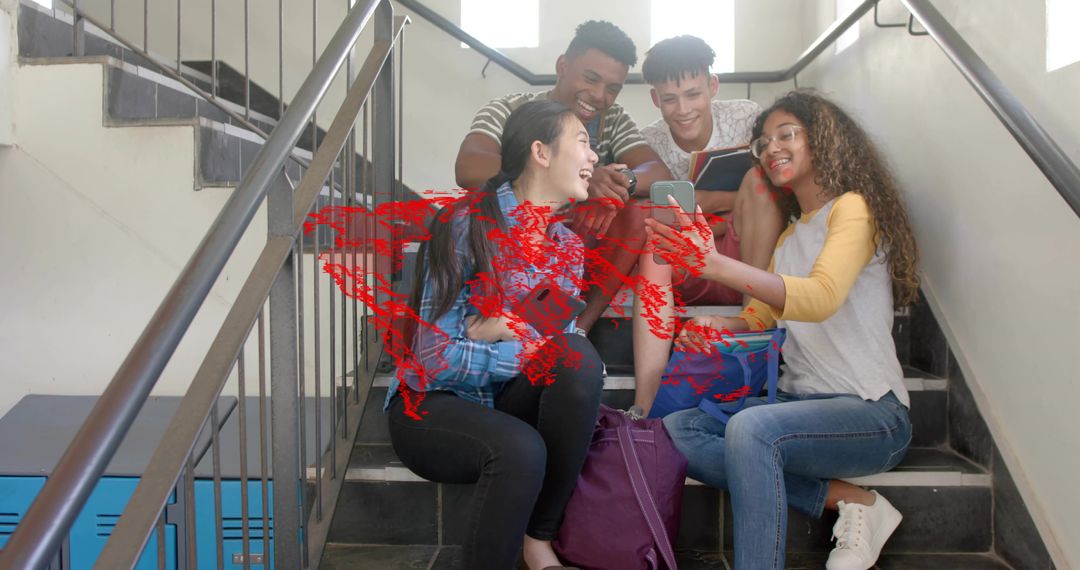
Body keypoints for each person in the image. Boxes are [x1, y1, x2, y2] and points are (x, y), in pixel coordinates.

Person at [646, 90, 920, 570]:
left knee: (751, 429)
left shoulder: (851, 209)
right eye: (764, 142)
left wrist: (716, 266)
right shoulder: (792, 236)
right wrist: (718, 326)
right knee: (679, 428)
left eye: (787, 134)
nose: (772, 148)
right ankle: (851, 500)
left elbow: (820, 297)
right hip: (797, 410)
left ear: (823, 142)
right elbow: (763, 317)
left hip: (871, 413)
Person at [386, 100, 604, 570]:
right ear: (541, 153)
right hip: (431, 404)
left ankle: (538, 539)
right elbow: (435, 358)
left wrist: (498, 330)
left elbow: (554, 347)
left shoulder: (567, 248)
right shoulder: (465, 225)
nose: (594, 158)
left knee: (578, 358)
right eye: (583, 143)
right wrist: (522, 347)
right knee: (520, 449)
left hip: (504, 398)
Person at [455, 20, 672, 335]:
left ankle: (578, 330)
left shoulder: (614, 120)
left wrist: (614, 188)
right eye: (591, 78)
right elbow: (469, 167)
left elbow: (656, 171)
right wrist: (578, 177)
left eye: (613, 88)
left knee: (637, 214)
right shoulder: (511, 108)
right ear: (562, 66)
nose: (599, 95)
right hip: (516, 235)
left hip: (576, 237)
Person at [632, 35, 787, 415]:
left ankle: (752, 333)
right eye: (670, 99)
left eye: (693, 94)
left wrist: (714, 203)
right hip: (688, 258)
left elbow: (778, 190)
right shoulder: (647, 141)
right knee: (655, 247)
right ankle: (645, 404)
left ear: (712, 87)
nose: (683, 109)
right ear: (656, 99)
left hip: (745, 251)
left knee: (760, 186)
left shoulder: (748, 118)